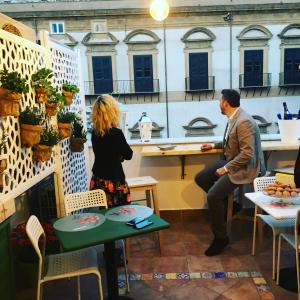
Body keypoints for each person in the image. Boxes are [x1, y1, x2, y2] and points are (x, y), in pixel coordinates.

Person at [195, 89, 266, 256]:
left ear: (225, 103)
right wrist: (213, 146)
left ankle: (221, 238)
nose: (219, 104)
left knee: (213, 196)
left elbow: (247, 154)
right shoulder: (233, 117)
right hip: (231, 160)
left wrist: (226, 168)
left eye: (220, 101)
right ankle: (232, 206)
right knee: (201, 178)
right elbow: (231, 142)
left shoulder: (243, 121)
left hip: (245, 168)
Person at [90, 94, 133, 207]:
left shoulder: (94, 133)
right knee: (121, 215)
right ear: (112, 111)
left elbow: (104, 153)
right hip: (115, 181)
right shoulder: (116, 133)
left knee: (104, 215)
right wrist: (119, 156)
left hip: (98, 179)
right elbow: (129, 154)